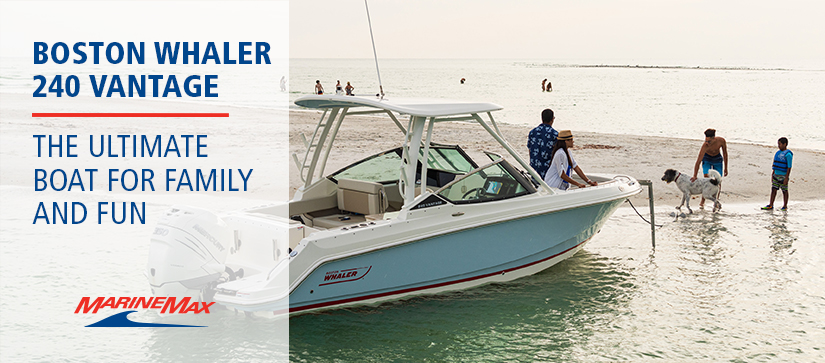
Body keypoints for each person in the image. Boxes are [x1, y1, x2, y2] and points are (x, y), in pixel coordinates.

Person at [691, 128, 728, 208]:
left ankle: (716, 201)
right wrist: (695, 175)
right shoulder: (705, 146)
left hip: (717, 160)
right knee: (706, 177)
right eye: (705, 141)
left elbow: (725, 154)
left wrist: (726, 168)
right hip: (707, 159)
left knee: (718, 181)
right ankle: (702, 201)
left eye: (709, 141)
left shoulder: (721, 141)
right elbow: (698, 161)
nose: (707, 143)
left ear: (714, 138)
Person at [762, 137, 793, 211]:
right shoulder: (778, 153)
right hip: (776, 175)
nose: (778, 146)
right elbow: (774, 165)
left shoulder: (788, 154)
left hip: (783, 176)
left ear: (784, 144)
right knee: (773, 190)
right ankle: (771, 204)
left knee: (784, 191)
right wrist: (772, 174)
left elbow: (789, 167)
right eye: (778, 144)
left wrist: (786, 178)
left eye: (780, 144)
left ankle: (785, 206)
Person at [527, 109, 559, 179]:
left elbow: (530, 150)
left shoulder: (532, 132)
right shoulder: (555, 134)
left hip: (534, 167)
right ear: (552, 119)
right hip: (547, 169)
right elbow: (557, 153)